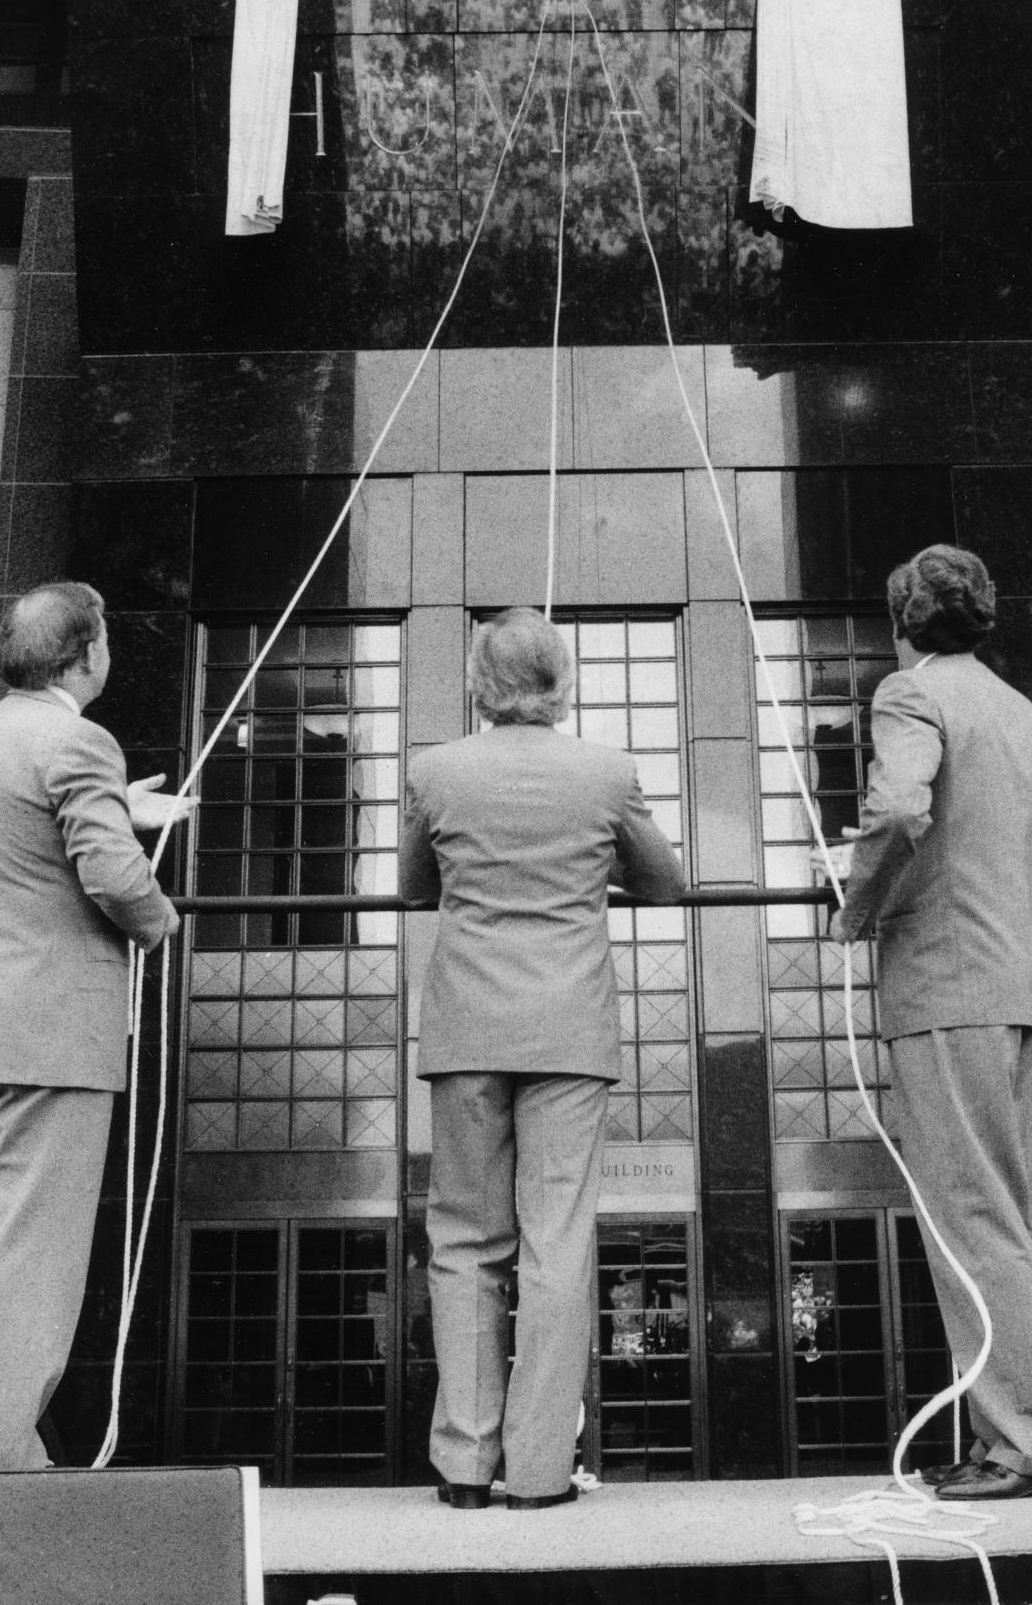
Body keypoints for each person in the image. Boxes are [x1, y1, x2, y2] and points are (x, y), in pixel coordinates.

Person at [400, 607, 684, 1510]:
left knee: (464, 1241)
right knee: (557, 1242)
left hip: (468, 1027)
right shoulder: (606, 772)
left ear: (479, 685)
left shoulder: (436, 771)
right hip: (568, 1027)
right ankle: (537, 1471)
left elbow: (414, 888)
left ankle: (464, 1467)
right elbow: (665, 883)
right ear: (561, 679)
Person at [826, 545, 1032, 1501]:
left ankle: (1025, 1446)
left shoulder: (909, 693)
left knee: (972, 1218)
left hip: (945, 983)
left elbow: (900, 808)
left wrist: (853, 907)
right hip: (1019, 979)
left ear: (902, 619)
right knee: (1021, 1225)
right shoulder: (1020, 712)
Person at [0, 581, 194, 1513]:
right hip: (53, 1032)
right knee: (37, 1251)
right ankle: (4, 1454)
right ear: (85, 656)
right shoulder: (79, 739)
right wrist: (159, 924)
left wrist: (115, 804)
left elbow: (27, 829)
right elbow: (113, 879)